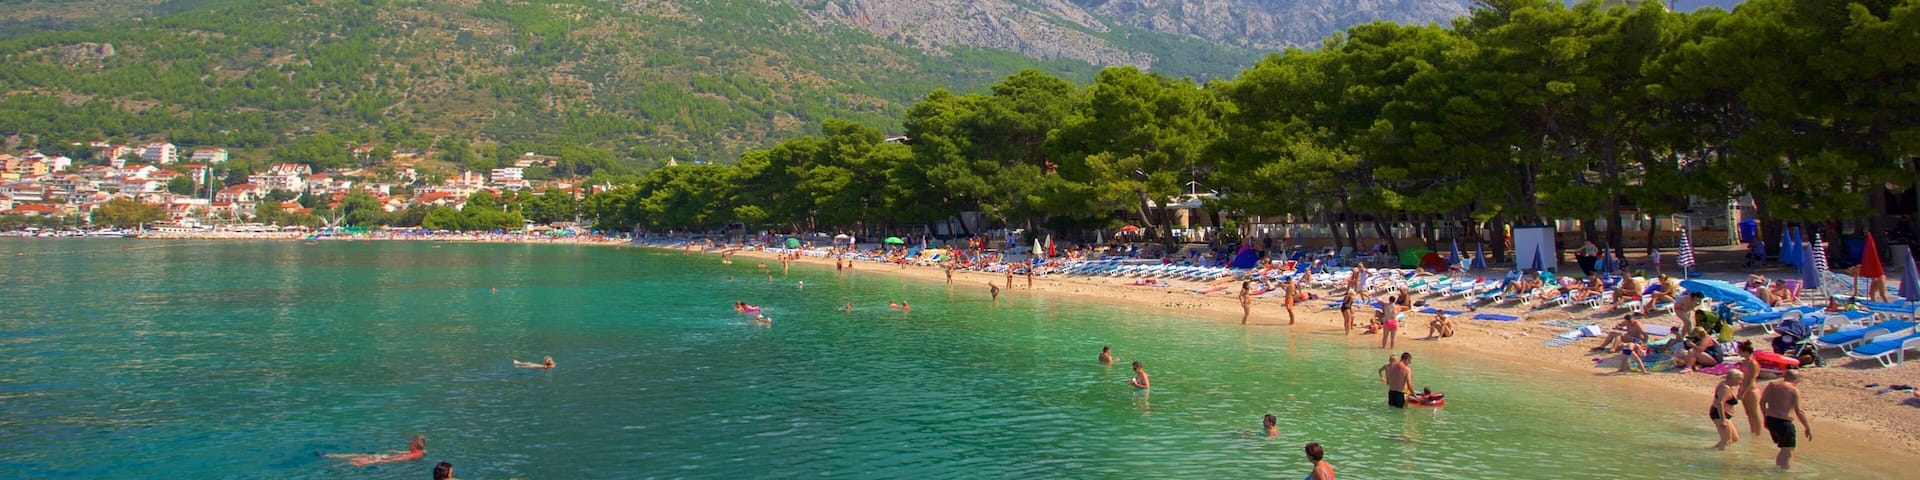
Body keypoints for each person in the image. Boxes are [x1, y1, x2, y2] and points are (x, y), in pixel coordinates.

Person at [1760, 370, 1812, 470]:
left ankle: (1777, 470)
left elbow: (1762, 402)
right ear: (1796, 380)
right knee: (1788, 451)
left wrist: (1765, 418)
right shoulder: (1793, 390)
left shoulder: (1771, 385)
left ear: (1784, 376)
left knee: (1783, 449)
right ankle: (1785, 474)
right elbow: (1799, 411)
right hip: (1784, 423)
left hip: (1771, 420)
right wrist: (1807, 427)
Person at [326, 435, 426, 467]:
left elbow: (393, 460)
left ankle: (332, 458)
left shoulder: (410, 456)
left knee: (360, 459)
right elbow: (407, 453)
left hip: (386, 459)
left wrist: (367, 463)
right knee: (363, 455)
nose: (408, 444)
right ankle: (331, 457)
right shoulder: (422, 452)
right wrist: (398, 452)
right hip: (387, 457)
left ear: (413, 445)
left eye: (410, 443)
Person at [1734, 341, 1764, 435]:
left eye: (1740, 351)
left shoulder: (1753, 363)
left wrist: (1744, 391)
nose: (1738, 353)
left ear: (1745, 351)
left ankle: (1758, 433)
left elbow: (1752, 378)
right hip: (1744, 388)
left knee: (1754, 412)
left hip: (1751, 390)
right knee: (1748, 412)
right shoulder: (1744, 362)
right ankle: (1753, 432)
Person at [1711, 370, 1743, 450]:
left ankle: (1710, 450)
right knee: (1727, 441)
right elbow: (1720, 403)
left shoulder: (1727, 385)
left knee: (1734, 438)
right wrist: (1723, 420)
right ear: (1733, 379)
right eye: (1740, 379)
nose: (1741, 382)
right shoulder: (1724, 388)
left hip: (1725, 415)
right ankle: (1722, 458)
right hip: (1720, 415)